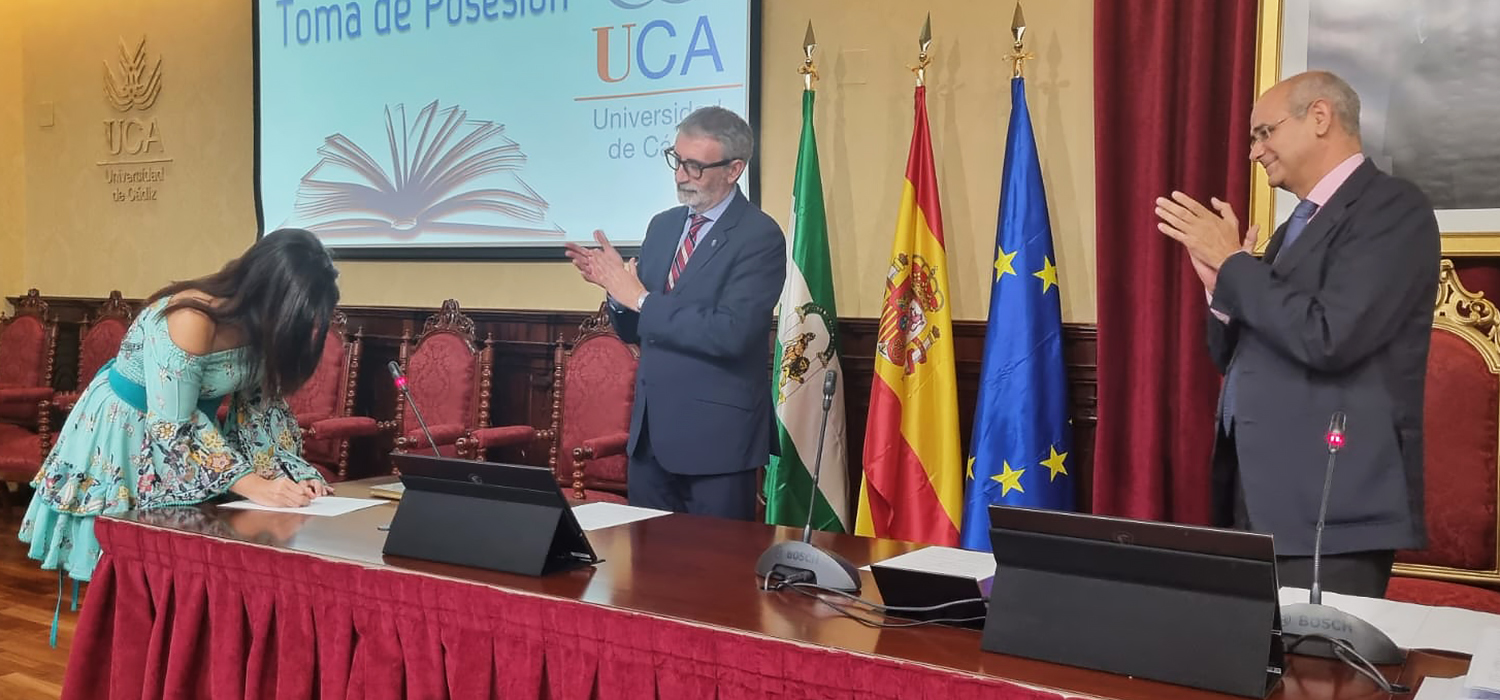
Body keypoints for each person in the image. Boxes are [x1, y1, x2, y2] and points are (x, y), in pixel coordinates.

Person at [1154, 71, 1439, 597]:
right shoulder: (1295, 228)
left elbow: (1330, 337)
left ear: (1320, 117)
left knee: (1317, 655)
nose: (1254, 152)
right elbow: (1235, 355)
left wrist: (1236, 266)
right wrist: (1221, 287)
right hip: (1259, 501)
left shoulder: (1392, 209)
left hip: (1332, 511)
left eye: (1265, 132)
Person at [19, 228, 341, 584]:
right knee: (126, 564)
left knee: (174, 566)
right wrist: (252, 484)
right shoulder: (191, 318)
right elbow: (173, 424)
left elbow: (261, 412)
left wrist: (292, 475)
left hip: (190, 433)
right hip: (130, 427)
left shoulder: (263, 328)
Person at [565, 106, 786, 520]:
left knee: (712, 560)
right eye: (677, 160)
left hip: (717, 445)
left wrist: (640, 298)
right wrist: (617, 293)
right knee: (646, 556)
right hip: (650, 440)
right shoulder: (662, 226)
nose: (681, 175)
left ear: (734, 169)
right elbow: (638, 329)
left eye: (694, 166)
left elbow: (731, 333)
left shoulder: (760, 235)